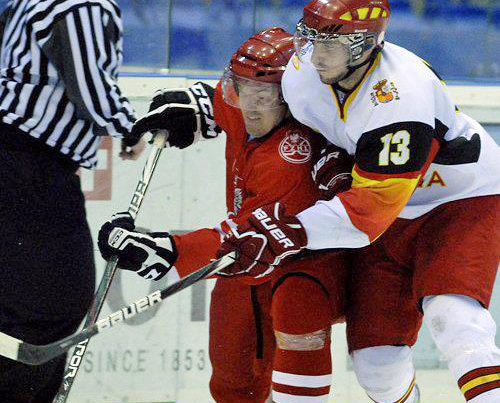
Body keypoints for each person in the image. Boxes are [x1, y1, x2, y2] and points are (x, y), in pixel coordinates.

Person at [217, 1, 500, 403]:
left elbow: (366, 212)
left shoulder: (402, 100)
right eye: (311, 40)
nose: (315, 55)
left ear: (366, 44)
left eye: (329, 45)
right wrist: (197, 109)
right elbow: (260, 88)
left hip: (459, 201)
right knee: (376, 364)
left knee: (453, 318)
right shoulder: (304, 71)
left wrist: (293, 231)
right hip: (391, 213)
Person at [98, 28, 352, 403]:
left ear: (291, 98)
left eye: (262, 95)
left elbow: (245, 240)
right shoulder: (246, 107)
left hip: (285, 270)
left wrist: (167, 249)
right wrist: (187, 107)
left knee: (258, 385)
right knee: (229, 385)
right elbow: (219, 103)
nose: (249, 105)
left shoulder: (292, 154)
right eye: (241, 89)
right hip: (240, 274)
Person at [0, 0, 142, 401]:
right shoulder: (81, 3)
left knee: (23, 305)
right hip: (27, 164)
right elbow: (89, 84)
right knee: (51, 303)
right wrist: (130, 127)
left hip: (22, 162)